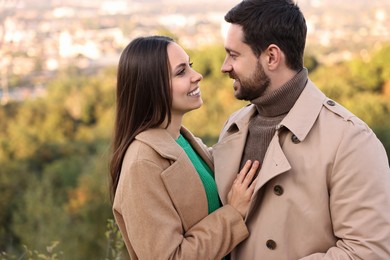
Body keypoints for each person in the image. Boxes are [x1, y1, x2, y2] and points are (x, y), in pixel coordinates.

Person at [212, 0, 390, 259]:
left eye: (234, 55)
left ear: (271, 57)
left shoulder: (350, 140)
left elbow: (368, 251)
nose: (225, 66)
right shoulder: (234, 126)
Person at [109, 35, 259, 259]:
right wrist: (233, 213)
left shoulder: (183, 141)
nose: (196, 76)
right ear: (152, 86)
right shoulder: (143, 163)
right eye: (181, 72)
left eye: (190, 66)